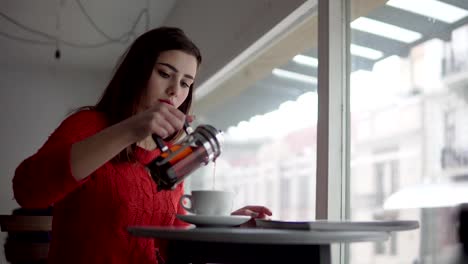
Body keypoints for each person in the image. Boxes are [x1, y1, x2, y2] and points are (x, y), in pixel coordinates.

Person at [12, 27, 272, 264]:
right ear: (137, 72)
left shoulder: (171, 155)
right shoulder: (89, 124)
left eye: (185, 83)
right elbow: (28, 190)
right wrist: (130, 129)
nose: (174, 91)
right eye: (164, 74)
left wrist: (226, 229)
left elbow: (172, 246)